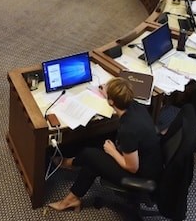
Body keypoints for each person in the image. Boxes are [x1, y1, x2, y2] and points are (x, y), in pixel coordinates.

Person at [48, 77, 161, 212]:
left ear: (111, 101)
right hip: (150, 158)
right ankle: (72, 198)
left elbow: (132, 167)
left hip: (139, 176)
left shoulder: (129, 130)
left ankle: (70, 165)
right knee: (93, 160)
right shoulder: (136, 106)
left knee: (91, 155)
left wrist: (112, 151)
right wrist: (108, 93)